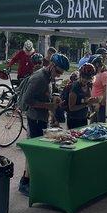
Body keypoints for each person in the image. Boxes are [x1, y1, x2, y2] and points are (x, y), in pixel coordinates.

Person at [18, 53, 70, 196]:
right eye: (58, 71)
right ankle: (25, 182)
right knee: (34, 152)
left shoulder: (47, 77)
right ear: (52, 66)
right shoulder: (39, 78)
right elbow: (28, 100)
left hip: (41, 118)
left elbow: (44, 96)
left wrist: (54, 101)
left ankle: (31, 179)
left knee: (38, 151)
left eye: (61, 73)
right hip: (34, 118)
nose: (59, 75)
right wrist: (48, 106)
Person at [67, 63, 99, 129]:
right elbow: (71, 108)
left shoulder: (88, 85)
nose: (85, 80)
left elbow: (89, 99)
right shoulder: (75, 87)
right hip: (73, 119)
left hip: (83, 118)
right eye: (84, 77)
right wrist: (86, 104)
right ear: (80, 75)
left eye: (88, 78)